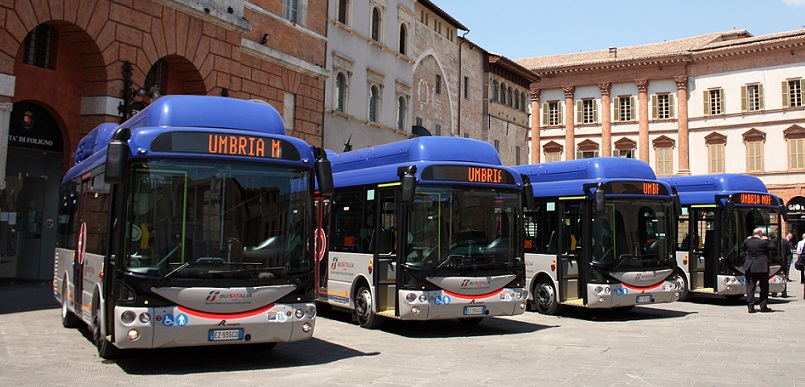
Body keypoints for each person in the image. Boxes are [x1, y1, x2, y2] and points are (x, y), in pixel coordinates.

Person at [742, 228, 775, 313]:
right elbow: (773, 247)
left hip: (750, 266)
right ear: (760, 234)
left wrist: (748, 239)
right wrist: (768, 239)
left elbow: (743, 247)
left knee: (750, 287)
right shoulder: (764, 242)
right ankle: (763, 306)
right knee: (764, 287)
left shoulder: (747, 241)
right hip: (761, 267)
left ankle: (750, 306)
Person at [780, 232, 794, 297]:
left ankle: (774, 292)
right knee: (783, 276)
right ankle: (783, 291)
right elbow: (789, 250)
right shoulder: (785, 242)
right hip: (784, 261)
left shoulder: (773, 241)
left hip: (778, 260)